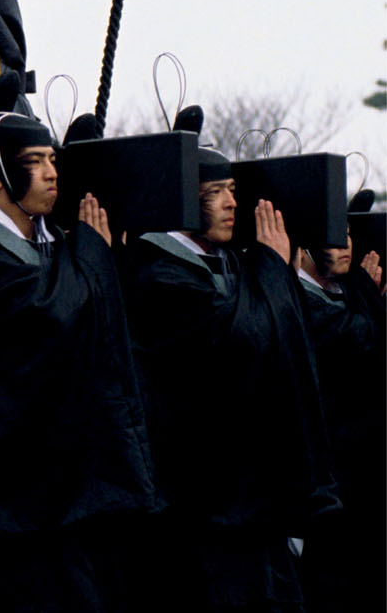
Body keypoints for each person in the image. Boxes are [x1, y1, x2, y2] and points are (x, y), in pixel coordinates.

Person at [0, 75, 160, 612]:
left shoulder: (60, 246)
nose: (51, 173)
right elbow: (48, 314)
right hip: (5, 490)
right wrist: (91, 256)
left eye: (53, 160)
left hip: (70, 483)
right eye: (37, 161)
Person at [127, 143, 338, 612]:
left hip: (252, 497)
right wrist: (270, 266)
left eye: (233, 191)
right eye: (214, 192)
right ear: (181, 200)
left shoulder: (232, 264)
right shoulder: (158, 275)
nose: (231, 204)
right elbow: (246, 337)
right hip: (203, 500)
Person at [294, 231, 385, 612]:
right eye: (332, 237)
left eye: (348, 235)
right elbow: (361, 339)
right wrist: (367, 292)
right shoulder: (302, 297)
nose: (346, 245)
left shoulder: (339, 291)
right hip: (327, 473)